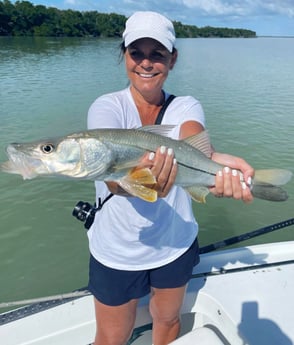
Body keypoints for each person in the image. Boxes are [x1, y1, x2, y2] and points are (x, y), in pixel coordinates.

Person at [87, 11, 254, 345]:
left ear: (172, 59)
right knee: (111, 336)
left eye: (157, 54)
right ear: (124, 55)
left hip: (175, 245)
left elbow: (195, 139)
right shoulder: (106, 109)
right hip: (116, 250)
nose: (146, 63)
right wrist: (142, 184)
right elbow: (112, 180)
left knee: (167, 321)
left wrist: (215, 167)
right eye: (137, 53)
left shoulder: (186, 105)